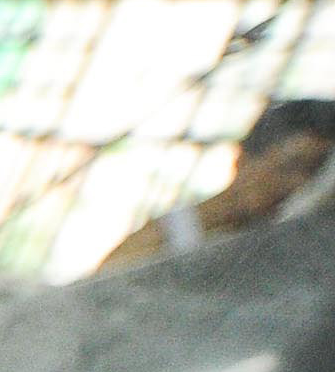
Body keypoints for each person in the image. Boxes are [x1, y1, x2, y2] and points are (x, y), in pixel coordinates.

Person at [97, 97, 335, 274]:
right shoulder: (159, 242)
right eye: (291, 167)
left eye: (316, 177)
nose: (300, 185)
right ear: (243, 159)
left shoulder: (292, 253)